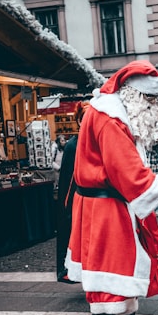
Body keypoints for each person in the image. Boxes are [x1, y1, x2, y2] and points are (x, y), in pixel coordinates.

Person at [65, 60, 158, 315]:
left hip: (112, 200)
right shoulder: (110, 118)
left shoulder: (115, 113)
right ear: (134, 95)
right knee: (110, 264)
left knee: (127, 259)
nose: (152, 107)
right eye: (150, 100)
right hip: (104, 203)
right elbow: (126, 170)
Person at [56, 100, 90, 284]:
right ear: (78, 121)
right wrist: (68, 209)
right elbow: (68, 183)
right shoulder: (73, 145)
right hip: (79, 202)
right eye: (84, 118)